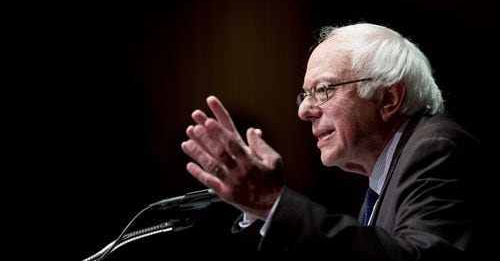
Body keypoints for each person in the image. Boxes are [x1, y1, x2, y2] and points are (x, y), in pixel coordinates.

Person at [180, 22, 490, 260]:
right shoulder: (394, 168)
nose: (304, 111)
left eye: (324, 89)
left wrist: (273, 203)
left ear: (388, 98)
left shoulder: (435, 149)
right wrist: (263, 210)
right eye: (305, 94)